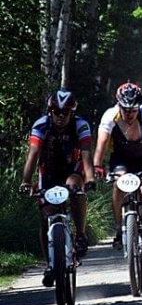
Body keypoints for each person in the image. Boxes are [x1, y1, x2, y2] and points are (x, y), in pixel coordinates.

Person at [19, 90, 95, 286]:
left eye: (66, 113)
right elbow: (33, 155)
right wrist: (25, 182)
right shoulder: (41, 126)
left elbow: (86, 153)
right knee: (46, 217)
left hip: (73, 169)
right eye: (56, 112)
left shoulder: (80, 125)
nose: (61, 117)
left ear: (72, 112)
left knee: (75, 187)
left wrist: (91, 178)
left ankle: (80, 234)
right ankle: (50, 265)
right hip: (49, 172)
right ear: (50, 111)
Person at [93, 81, 142, 262]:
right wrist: (97, 167)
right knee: (119, 185)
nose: (129, 114)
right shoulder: (110, 117)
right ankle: (119, 228)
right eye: (125, 109)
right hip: (122, 159)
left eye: (133, 110)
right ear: (118, 105)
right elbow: (101, 147)